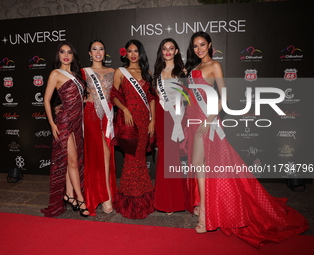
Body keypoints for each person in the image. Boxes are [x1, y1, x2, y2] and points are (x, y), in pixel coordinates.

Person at [184, 31, 308, 247]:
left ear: (210, 45)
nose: (199, 49)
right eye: (195, 46)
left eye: (202, 45)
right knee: (198, 166)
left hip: (206, 121)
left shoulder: (214, 66)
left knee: (203, 166)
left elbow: (224, 97)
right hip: (193, 120)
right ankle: (203, 207)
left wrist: (209, 119)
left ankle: (205, 214)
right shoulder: (193, 68)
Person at [42, 41, 89, 217]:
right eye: (62, 52)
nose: (66, 55)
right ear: (58, 55)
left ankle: (69, 195)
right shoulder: (55, 74)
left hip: (78, 122)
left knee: (73, 161)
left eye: (69, 52)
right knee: (73, 161)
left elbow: (76, 99)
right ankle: (80, 198)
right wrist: (52, 124)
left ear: (73, 55)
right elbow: (46, 100)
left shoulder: (77, 75)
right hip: (64, 122)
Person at [111, 39, 156, 219]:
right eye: (129, 51)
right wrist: (124, 109)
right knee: (131, 159)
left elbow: (152, 97)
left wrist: (152, 119)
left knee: (139, 160)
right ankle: (130, 202)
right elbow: (113, 95)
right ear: (125, 54)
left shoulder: (147, 73)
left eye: (136, 51)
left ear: (140, 53)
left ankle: (143, 200)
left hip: (145, 120)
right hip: (128, 121)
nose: (133, 54)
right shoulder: (120, 72)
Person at [152, 38, 190, 214]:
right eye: (164, 49)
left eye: (171, 48)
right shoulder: (157, 72)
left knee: (173, 157)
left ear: (176, 51)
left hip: (176, 115)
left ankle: (176, 201)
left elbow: (186, 98)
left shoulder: (182, 72)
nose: (167, 51)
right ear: (161, 51)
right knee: (164, 156)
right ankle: (164, 199)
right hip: (161, 115)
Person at [81, 39, 116, 216]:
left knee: (106, 153)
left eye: (101, 49)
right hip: (91, 113)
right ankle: (105, 196)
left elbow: (119, 94)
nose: (98, 52)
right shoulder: (83, 72)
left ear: (105, 52)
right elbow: (72, 92)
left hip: (108, 115)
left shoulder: (113, 71)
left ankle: (103, 192)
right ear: (89, 53)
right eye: (94, 49)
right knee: (102, 153)